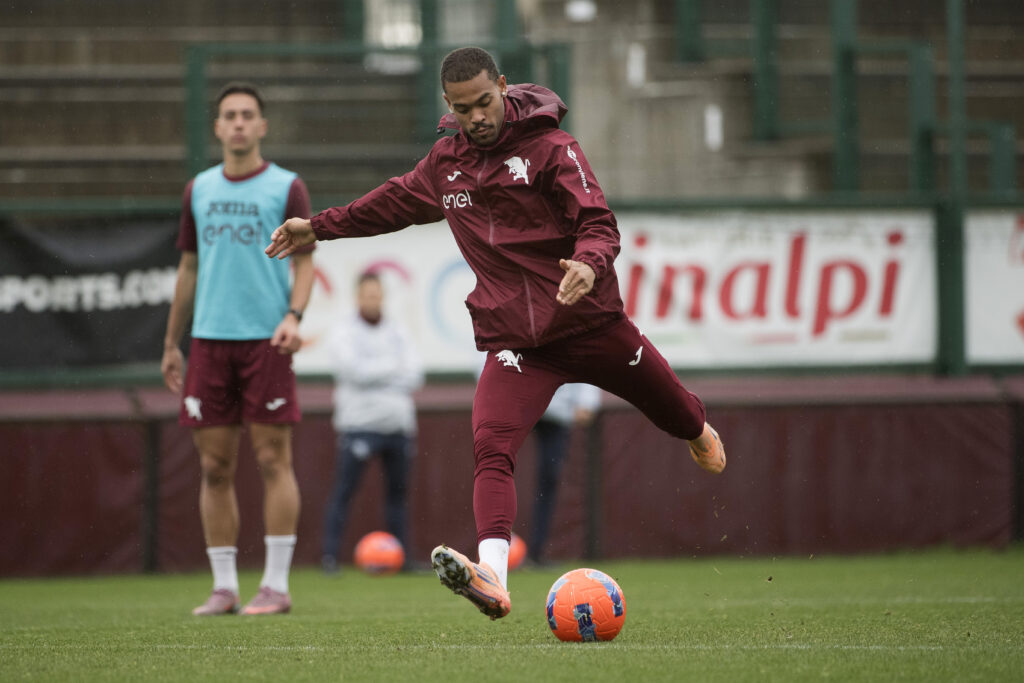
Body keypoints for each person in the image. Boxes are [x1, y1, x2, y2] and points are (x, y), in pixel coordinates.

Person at [265, 47, 725, 621]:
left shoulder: (553, 150)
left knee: (680, 417)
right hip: (517, 345)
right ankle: (494, 578)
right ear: (448, 107)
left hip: (591, 325)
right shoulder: (444, 164)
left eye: (484, 101)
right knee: (491, 446)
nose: (477, 116)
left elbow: (598, 223)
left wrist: (588, 262)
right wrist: (319, 227)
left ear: (503, 87)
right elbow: (390, 204)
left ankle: (696, 426)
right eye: (463, 108)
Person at [162, 81, 314, 616]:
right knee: (215, 467)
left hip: (265, 341)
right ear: (218, 127)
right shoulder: (198, 189)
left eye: (249, 114)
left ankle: (275, 585)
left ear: (262, 125)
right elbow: (189, 267)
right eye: (230, 115)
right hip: (208, 342)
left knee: (274, 459)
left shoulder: (287, 187)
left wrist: (294, 317)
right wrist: (172, 342)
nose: (240, 123)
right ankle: (224, 586)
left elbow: (305, 261)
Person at [321, 271, 424, 574]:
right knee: (344, 491)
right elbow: (353, 372)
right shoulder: (343, 331)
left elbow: (415, 373)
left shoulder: (398, 330)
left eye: (377, 294)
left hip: (398, 425)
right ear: (357, 296)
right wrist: (393, 371)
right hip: (359, 424)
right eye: (368, 294)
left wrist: (376, 373)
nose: (373, 299)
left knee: (398, 496)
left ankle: (403, 558)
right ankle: (329, 558)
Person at [525, 382, 601, 566]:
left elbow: (587, 357)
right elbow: (488, 358)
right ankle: (494, 550)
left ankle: (536, 552)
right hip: (516, 405)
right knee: (497, 470)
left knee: (549, 479)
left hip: (558, 414)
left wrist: (587, 402)